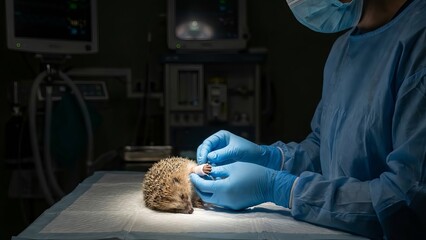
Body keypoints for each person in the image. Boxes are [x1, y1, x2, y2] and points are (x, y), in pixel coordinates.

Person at [190, 0, 426, 239]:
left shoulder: (419, 41)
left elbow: (408, 201)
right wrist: (271, 159)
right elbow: (324, 149)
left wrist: (285, 189)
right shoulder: (342, 50)